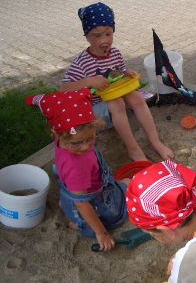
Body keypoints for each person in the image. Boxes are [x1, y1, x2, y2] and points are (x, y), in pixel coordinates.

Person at [60, 2, 173, 161]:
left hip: (117, 111)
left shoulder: (115, 53)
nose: (104, 41)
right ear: (86, 36)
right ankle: (133, 149)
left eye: (108, 34)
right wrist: (89, 81)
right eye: (96, 35)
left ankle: (155, 142)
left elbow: (117, 73)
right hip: (94, 114)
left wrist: (127, 73)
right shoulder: (81, 63)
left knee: (136, 97)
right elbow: (64, 89)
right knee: (116, 103)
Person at [25, 88, 127, 251]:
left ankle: (68, 208)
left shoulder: (61, 140)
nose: (86, 146)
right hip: (93, 204)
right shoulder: (77, 167)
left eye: (90, 138)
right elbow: (82, 203)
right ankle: (81, 224)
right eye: (77, 143)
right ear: (57, 134)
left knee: (75, 197)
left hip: (73, 195)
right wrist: (101, 233)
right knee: (126, 195)